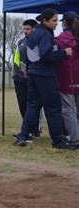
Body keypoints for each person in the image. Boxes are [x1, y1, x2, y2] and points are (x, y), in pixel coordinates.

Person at [14, 8, 76, 149]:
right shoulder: (46, 35)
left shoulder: (34, 35)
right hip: (45, 75)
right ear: (45, 21)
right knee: (53, 108)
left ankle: (23, 135)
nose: (56, 23)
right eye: (54, 20)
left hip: (33, 75)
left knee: (32, 107)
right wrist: (64, 53)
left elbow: (31, 57)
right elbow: (46, 55)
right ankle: (58, 141)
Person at [13, 19, 42, 138]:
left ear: (34, 29)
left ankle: (35, 130)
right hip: (20, 79)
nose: (25, 31)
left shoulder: (40, 41)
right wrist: (16, 73)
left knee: (33, 105)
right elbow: (16, 59)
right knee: (22, 104)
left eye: (28, 29)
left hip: (35, 79)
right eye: (24, 29)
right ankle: (27, 130)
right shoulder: (20, 42)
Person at [56, 11, 79, 143]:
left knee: (68, 109)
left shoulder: (61, 39)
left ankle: (74, 137)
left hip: (66, 78)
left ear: (64, 22)